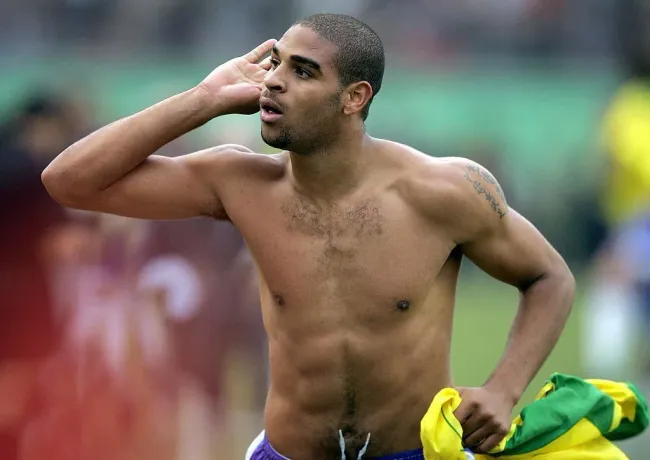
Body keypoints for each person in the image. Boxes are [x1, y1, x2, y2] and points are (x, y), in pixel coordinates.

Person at [41, 13, 575, 460]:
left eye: (303, 71)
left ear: (354, 97)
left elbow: (549, 277)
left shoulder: (445, 190)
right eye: (276, 64)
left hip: (412, 452)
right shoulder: (239, 183)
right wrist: (205, 98)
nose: (274, 81)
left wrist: (504, 388)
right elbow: (68, 181)